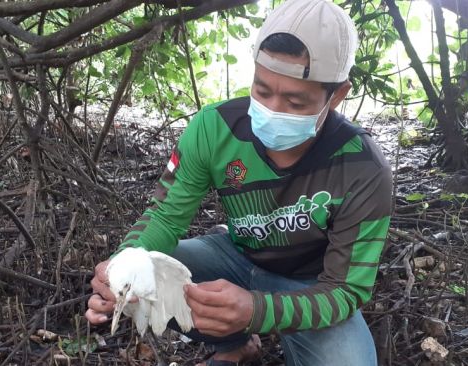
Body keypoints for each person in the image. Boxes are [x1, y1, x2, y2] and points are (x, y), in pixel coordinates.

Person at [86, 0, 392, 364]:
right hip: (237, 256)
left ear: (337, 95)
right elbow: (165, 216)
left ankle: (272, 334)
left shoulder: (362, 165)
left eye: (295, 102)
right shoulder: (213, 128)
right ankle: (235, 347)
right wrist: (122, 268)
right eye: (262, 91)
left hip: (310, 284)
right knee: (147, 269)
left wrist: (257, 311)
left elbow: (345, 290)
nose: (274, 109)